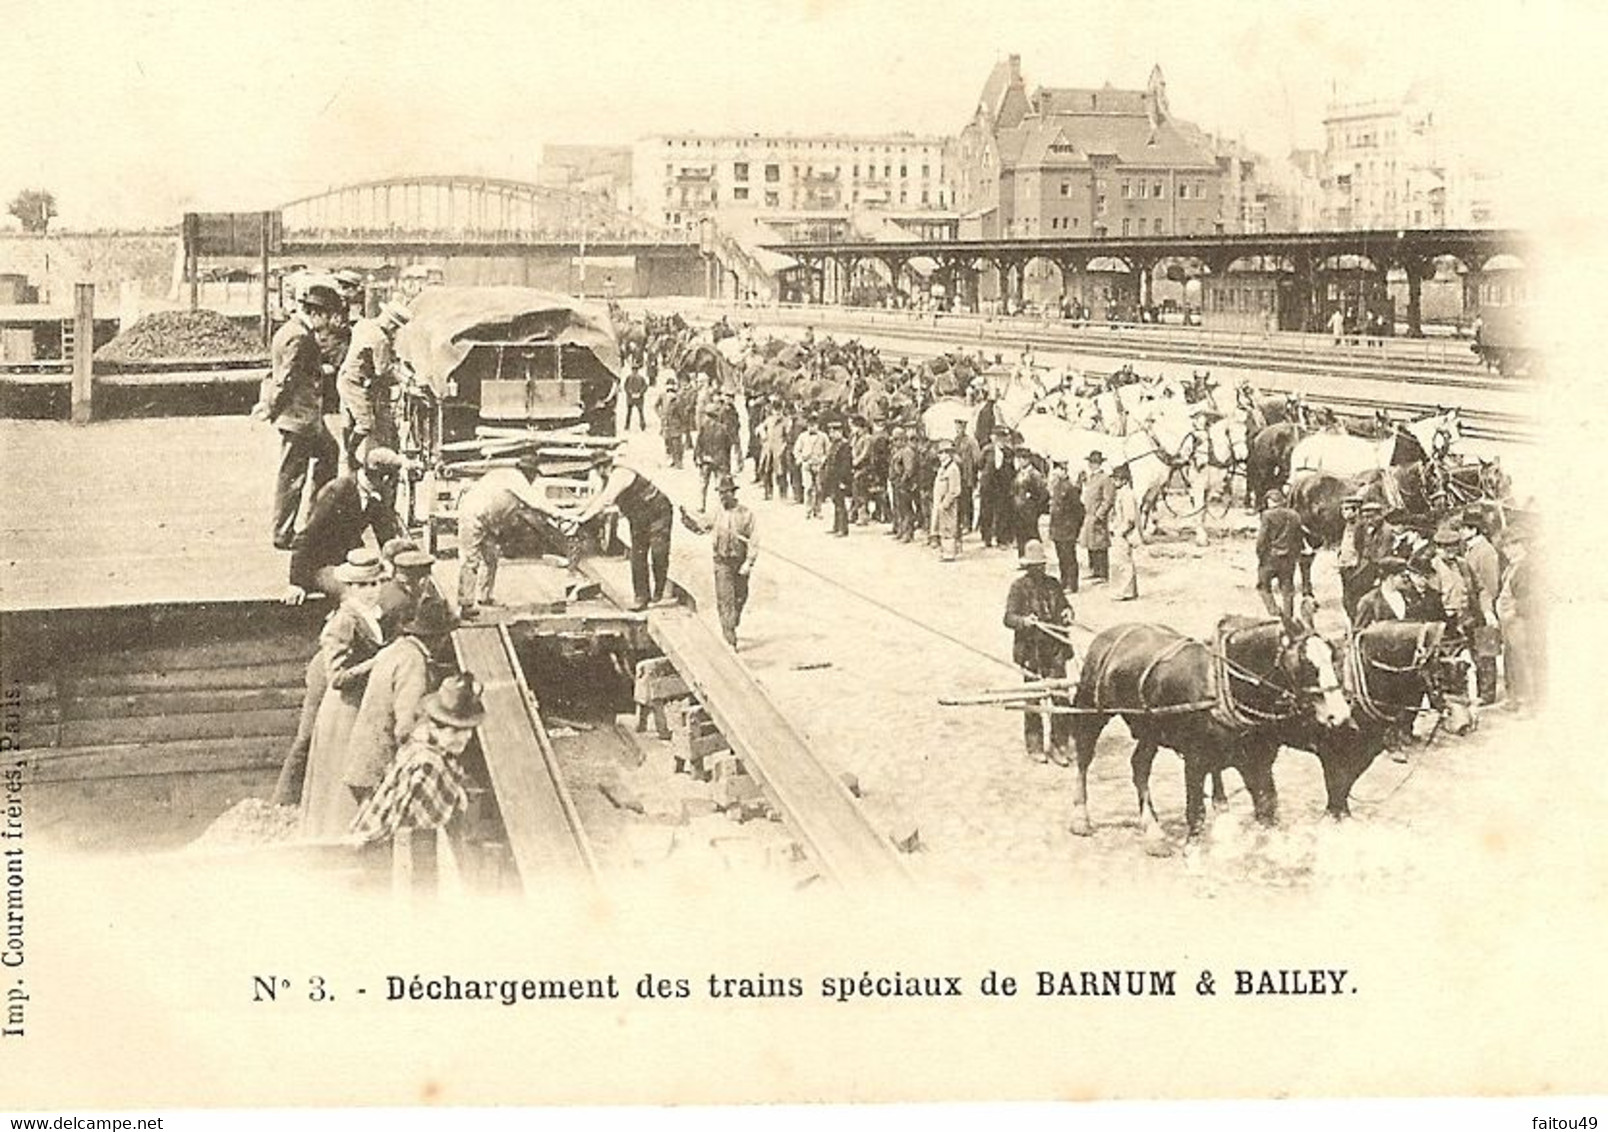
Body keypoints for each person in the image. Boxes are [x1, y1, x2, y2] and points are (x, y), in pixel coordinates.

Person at [300, 552, 389, 839]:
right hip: (344, 710)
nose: (371, 591)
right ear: (349, 588)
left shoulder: (371, 616)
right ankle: (334, 836)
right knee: (343, 771)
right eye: (362, 586)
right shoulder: (343, 622)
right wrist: (378, 663)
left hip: (361, 706)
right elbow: (336, 678)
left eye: (375, 584)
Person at [349, 673, 488, 847]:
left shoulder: (420, 744)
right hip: (380, 852)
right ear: (434, 726)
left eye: (469, 730)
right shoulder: (427, 764)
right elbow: (400, 826)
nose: (466, 737)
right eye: (456, 731)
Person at [343, 600, 458, 808]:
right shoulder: (413, 662)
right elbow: (406, 726)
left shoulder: (397, 649)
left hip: (364, 762)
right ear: (439, 638)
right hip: (380, 768)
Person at [259, 283, 343, 550]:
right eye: (327, 316)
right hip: (299, 418)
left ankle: (313, 521)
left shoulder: (291, 330)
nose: (328, 323)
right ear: (316, 313)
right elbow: (287, 377)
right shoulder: (300, 337)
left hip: (303, 417)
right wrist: (272, 408)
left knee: (328, 453)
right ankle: (285, 533)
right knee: (293, 476)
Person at [285, 446, 407, 604]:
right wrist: (296, 583)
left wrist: (392, 562)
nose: (394, 485)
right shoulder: (336, 492)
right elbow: (306, 536)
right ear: (384, 479)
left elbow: (385, 532)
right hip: (322, 565)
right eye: (394, 479)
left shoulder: (374, 494)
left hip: (350, 561)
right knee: (358, 595)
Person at [455, 454, 572, 618]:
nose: (534, 479)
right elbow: (536, 502)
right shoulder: (516, 479)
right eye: (534, 475)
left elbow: (528, 509)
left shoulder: (509, 477)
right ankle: (465, 606)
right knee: (470, 560)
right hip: (473, 516)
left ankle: (484, 597)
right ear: (529, 472)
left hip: (487, 520)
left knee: (491, 558)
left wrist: (551, 518)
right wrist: (560, 514)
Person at [570, 452, 675, 611]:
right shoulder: (605, 480)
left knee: (658, 552)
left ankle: (659, 589)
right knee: (637, 555)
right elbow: (596, 498)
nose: (599, 472)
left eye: (599, 468)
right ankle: (641, 598)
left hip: (657, 511)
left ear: (605, 466)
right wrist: (579, 513)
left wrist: (584, 519)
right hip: (638, 517)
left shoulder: (620, 474)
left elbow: (606, 500)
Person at [1003, 540, 1075, 766]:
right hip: (1030, 651)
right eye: (1036, 566)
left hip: (1054, 648)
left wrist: (1067, 613)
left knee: (1060, 697)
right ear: (1027, 567)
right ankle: (1034, 745)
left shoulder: (1053, 584)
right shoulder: (1018, 588)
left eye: (1042, 565)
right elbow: (1008, 618)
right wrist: (1025, 621)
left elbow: (1066, 606)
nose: (1040, 569)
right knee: (1033, 698)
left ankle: (1059, 744)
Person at [681, 474, 758, 649]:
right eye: (720, 493)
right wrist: (687, 520)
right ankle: (730, 638)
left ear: (733, 493)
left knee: (740, 597)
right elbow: (702, 528)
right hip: (721, 561)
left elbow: (754, 540)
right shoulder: (715, 512)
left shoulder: (746, 514)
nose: (723, 496)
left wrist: (749, 563)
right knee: (725, 599)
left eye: (726, 493)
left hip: (740, 562)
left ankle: (733, 620)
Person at [335, 300, 411, 472]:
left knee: (348, 420)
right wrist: (405, 380)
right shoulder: (381, 339)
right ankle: (351, 455)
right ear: (392, 325)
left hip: (344, 377)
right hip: (355, 383)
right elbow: (382, 371)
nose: (395, 332)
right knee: (366, 423)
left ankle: (347, 455)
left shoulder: (364, 325)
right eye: (396, 328)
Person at [1461, 510, 1502, 705]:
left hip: (1483, 608)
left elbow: (1490, 585)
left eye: (1463, 528)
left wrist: (1487, 609)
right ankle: (1481, 691)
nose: (1461, 532)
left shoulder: (1486, 551)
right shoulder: (1470, 549)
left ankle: (1487, 694)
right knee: (1477, 651)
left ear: (1473, 530)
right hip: (1473, 608)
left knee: (1486, 651)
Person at [1256, 488, 1305, 629]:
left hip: (1270, 557)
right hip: (1288, 558)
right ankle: (1288, 619)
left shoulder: (1267, 515)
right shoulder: (1294, 515)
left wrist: (1261, 555)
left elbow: (1262, 539)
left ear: (1270, 501)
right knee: (1287, 588)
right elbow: (1298, 537)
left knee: (1263, 586)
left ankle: (1274, 612)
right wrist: (1294, 555)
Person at [1047, 460, 1084, 595]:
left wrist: (1075, 528)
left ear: (1064, 471)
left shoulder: (1070, 488)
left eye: (1057, 470)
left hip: (1067, 529)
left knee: (1069, 557)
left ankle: (1072, 584)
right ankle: (1064, 581)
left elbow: (1079, 510)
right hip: (1057, 528)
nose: (1055, 473)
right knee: (1061, 557)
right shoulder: (1056, 486)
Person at [694, 400, 738, 511]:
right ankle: (722, 506)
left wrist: (697, 457)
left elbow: (699, 443)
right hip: (719, 461)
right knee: (720, 485)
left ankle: (701, 505)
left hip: (706, 459)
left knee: (703, 484)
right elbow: (728, 446)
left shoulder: (704, 427)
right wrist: (728, 465)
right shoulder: (723, 428)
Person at [1078, 450, 1115, 583]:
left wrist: (1099, 515)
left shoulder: (1105, 478)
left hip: (1097, 516)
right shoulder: (1090, 478)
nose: (1091, 465)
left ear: (1099, 464)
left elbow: (1108, 499)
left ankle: (1103, 573)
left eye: (1094, 463)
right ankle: (1094, 570)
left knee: (1100, 544)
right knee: (1090, 543)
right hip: (1088, 515)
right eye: (1090, 462)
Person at [977, 425, 1016, 548]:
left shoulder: (1009, 452)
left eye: (1003, 437)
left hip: (1002, 487)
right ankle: (987, 538)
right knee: (986, 512)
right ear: (993, 438)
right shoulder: (987, 450)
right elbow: (979, 465)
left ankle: (1001, 539)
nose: (1001, 440)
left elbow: (1012, 470)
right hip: (988, 486)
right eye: (998, 437)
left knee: (1002, 512)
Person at [1109, 464, 1141, 601]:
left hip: (1123, 533)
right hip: (1119, 530)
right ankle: (1128, 590)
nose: (1115, 481)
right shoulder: (1122, 493)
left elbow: (1130, 518)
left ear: (1125, 480)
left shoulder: (1127, 494)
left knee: (1123, 563)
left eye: (1117, 479)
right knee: (1121, 561)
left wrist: (1120, 532)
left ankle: (1125, 591)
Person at [1352, 557, 1414, 629]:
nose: (1406, 580)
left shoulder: (1409, 597)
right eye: (1403, 576)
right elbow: (1359, 632)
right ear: (1390, 577)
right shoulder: (1369, 601)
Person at [1336, 493, 1367, 621]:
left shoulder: (1360, 526)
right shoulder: (1348, 525)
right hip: (1345, 566)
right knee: (1347, 600)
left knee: (1353, 600)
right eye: (1343, 509)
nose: (1344, 513)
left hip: (1354, 568)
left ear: (1357, 510)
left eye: (1347, 509)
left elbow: (1361, 548)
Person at [931, 440, 963, 562]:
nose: (939, 456)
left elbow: (955, 490)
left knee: (949, 528)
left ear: (948, 454)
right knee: (942, 527)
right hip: (940, 503)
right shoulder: (942, 468)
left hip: (947, 504)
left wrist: (946, 503)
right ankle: (945, 551)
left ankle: (949, 554)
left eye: (942, 453)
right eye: (939, 453)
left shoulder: (953, 469)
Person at [1011, 454, 1049, 554]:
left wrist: (1035, 507)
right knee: (1020, 534)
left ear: (1027, 460)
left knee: (1032, 534)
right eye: (1018, 459)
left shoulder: (1034, 474)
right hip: (1019, 509)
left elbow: (1043, 494)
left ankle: (1035, 557)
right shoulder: (1019, 473)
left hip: (1030, 510)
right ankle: (1022, 557)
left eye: (1021, 459)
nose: (1019, 462)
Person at [822, 418, 853, 537]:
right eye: (830, 432)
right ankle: (836, 526)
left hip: (840, 478)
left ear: (840, 432)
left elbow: (845, 465)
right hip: (833, 478)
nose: (831, 434)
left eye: (834, 432)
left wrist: (843, 480)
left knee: (840, 504)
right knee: (836, 502)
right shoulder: (834, 445)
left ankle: (843, 529)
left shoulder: (844, 446)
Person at [794, 416, 829, 519]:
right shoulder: (802, 437)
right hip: (806, 464)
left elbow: (828, 451)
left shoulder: (823, 436)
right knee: (808, 487)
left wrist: (823, 460)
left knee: (819, 488)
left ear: (817, 426)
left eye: (814, 425)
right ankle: (808, 510)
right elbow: (796, 450)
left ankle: (818, 510)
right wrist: (800, 459)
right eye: (809, 425)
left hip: (819, 465)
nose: (812, 428)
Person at [622, 362, 649, 431]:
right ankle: (627, 426)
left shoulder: (641, 378)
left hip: (638, 398)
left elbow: (645, 386)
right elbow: (625, 387)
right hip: (631, 398)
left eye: (636, 370)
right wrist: (629, 392)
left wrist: (640, 393)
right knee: (629, 413)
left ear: (637, 370)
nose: (634, 371)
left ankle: (642, 425)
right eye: (633, 369)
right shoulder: (628, 378)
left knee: (640, 413)